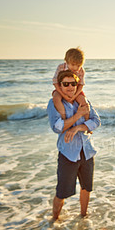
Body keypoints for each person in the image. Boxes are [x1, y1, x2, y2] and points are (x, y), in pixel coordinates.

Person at [47, 70, 101, 220]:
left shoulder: (84, 101)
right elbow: (57, 127)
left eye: (73, 84)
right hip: (68, 154)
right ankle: (54, 221)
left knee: (86, 188)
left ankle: (83, 216)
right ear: (61, 86)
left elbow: (96, 121)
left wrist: (77, 127)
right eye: (66, 84)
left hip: (87, 151)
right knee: (62, 192)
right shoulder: (54, 104)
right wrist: (78, 116)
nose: (70, 87)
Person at [52, 47, 90, 120]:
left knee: (84, 102)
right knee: (56, 99)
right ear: (66, 61)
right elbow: (55, 82)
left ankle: (87, 121)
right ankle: (64, 118)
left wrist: (74, 96)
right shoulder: (61, 67)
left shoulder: (81, 70)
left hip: (75, 90)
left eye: (78, 65)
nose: (75, 68)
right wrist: (64, 95)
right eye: (73, 64)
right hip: (61, 89)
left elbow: (81, 84)